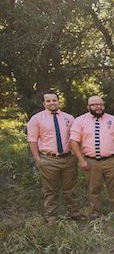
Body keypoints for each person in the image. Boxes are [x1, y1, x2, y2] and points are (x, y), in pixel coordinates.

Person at [27, 91, 85, 225]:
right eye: (48, 101)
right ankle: (51, 216)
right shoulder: (36, 119)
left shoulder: (69, 118)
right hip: (48, 159)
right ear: (44, 103)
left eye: (54, 100)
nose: (52, 103)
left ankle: (74, 212)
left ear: (58, 102)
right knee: (50, 190)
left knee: (70, 189)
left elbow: (76, 137)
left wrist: (78, 156)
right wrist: (38, 159)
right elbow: (32, 140)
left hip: (68, 159)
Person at [70, 96, 114, 222]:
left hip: (111, 160)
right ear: (88, 107)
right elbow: (73, 141)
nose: (98, 107)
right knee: (93, 188)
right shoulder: (80, 121)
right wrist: (81, 160)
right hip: (91, 161)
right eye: (94, 105)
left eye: (100, 104)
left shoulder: (113, 120)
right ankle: (95, 212)